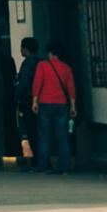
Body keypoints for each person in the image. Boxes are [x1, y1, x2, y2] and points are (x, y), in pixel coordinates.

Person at [31, 40, 78, 174]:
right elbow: (71, 88)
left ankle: (43, 167)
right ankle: (64, 168)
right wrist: (73, 106)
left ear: (50, 53)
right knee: (62, 137)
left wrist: (34, 101)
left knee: (44, 137)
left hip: (45, 103)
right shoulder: (66, 68)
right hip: (61, 105)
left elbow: (37, 83)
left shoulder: (42, 65)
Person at [13, 36, 42, 171]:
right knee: (41, 131)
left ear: (25, 49)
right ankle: (43, 160)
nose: (20, 50)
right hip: (42, 99)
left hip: (29, 99)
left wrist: (17, 94)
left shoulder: (27, 63)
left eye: (21, 47)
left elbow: (24, 83)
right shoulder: (42, 62)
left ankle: (36, 161)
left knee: (31, 131)